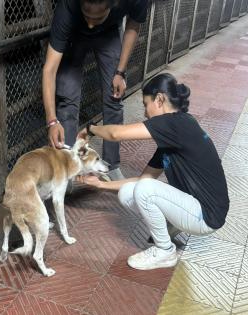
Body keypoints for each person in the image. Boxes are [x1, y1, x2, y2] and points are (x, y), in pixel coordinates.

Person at [76, 73, 229, 270]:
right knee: (128, 192)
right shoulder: (171, 135)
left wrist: (89, 129)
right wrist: (101, 184)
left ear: (159, 99)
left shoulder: (177, 123)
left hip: (207, 215)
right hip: (194, 207)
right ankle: (170, 224)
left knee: (146, 189)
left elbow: (115, 134)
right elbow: (142, 179)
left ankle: (165, 251)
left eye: (146, 104)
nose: (146, 113)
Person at [42, 0, 148, 180]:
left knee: (114, 97)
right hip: (74, 33)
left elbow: (133, 26)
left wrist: (120, 72)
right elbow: (49, 69)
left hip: (109, 33)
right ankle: (67, 170)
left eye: (97, 17)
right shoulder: (67, 8)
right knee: (67, 101)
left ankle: (111, 165)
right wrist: (52, 121)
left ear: (114, 5)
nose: (91, 23)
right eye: (87, 15)